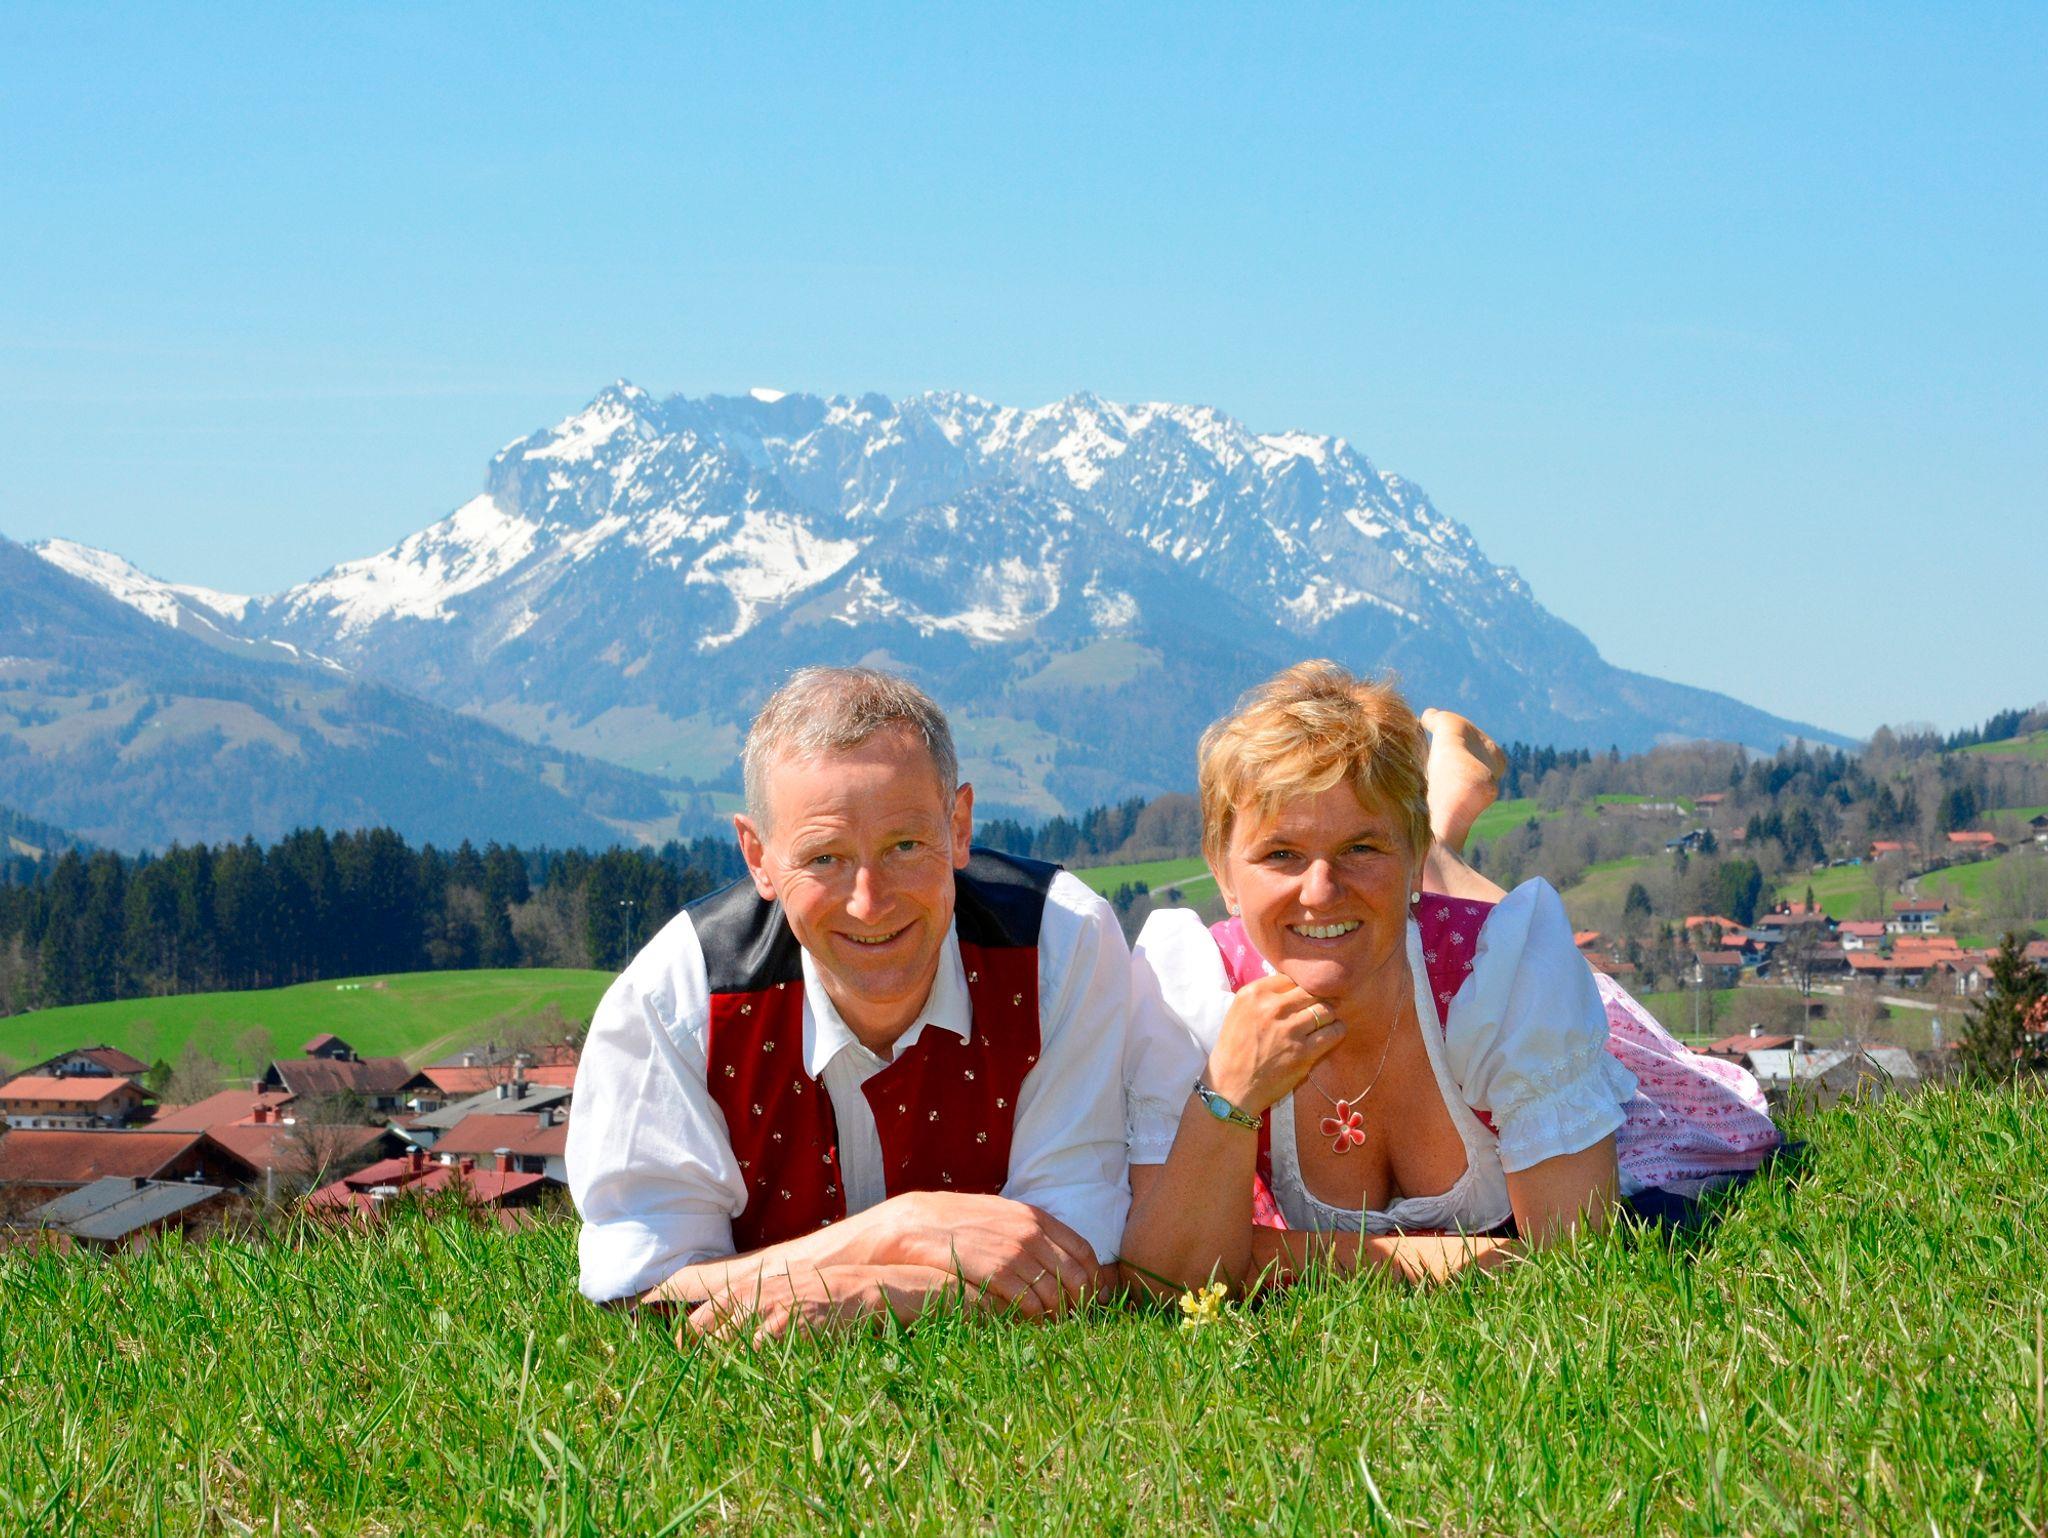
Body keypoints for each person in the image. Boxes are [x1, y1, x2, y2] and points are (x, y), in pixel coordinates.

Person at [1120, 661, 1781, 1294]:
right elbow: (1161, 1276)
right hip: (1412, 930)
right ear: (1222, 872)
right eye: (1280, 854)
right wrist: (1228, 1095)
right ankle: (1446, 808)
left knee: (1458, 936)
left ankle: (1445, 814)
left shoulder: (1511, 977)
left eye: (1360, 846)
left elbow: (1573, 1257)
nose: (1319, 890)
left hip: (1505, 995)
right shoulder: (1191, 999)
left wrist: (1263, 1256)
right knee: (1376, 917)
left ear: (1412, 855)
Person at [567, 667, 1132, 1340]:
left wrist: (874, 1293)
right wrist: (900, 1229)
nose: (869, 902)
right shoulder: (676, 999)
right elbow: (643, 1298)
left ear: (958, 826)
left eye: (905, 846)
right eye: (825, 859)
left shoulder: (1059, 944)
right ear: (758, 856)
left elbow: (1077, 1264)